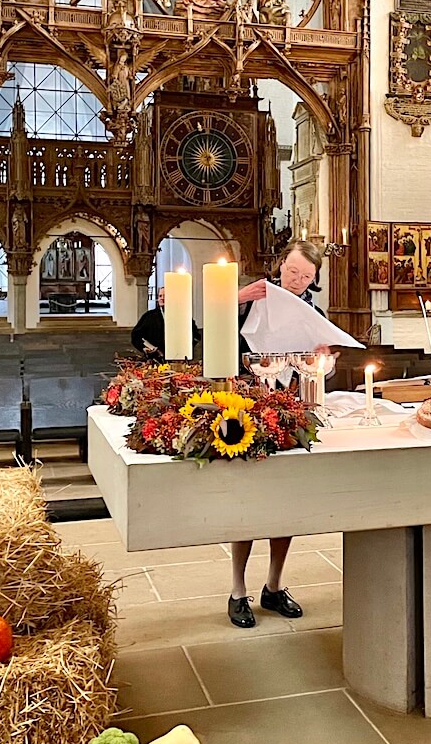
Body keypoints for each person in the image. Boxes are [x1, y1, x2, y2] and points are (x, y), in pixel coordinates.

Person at [226, 240, 328, 628]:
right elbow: (204, 329)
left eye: (306, 277)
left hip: (290, 411)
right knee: (247, 507)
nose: (298, 281)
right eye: (292, 271)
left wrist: (322, 359)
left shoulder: (312, 312)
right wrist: (233, 297)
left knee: (285, 505)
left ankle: (274, 585)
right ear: (279, 264)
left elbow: (315, 372)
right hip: (246, 407)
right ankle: (238, 591)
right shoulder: (255, 297)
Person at [130, 286, 202, 361]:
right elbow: (136, 336)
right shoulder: (149, 316)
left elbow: (195, 335)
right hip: (155, 358)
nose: (162, 298)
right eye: (160, 296)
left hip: (178, 358)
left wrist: (185, 348)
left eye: (165, 296)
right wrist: (144, 348)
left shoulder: (182, 315)